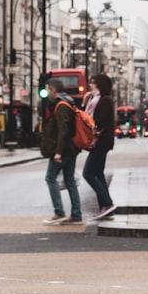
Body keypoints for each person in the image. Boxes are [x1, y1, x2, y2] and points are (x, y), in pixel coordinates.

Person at [40, 78, 83, 225]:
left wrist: (58, 151)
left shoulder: (61, 105)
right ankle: (76, 215)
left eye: (47, 90)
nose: (47, 93)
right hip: (70, 149)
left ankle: (59, 212)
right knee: (69, 180)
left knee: (50, 178)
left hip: (64, 150)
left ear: (53, 90)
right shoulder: (67, 102)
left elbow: (63, 130)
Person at [83, 74, 117, 219]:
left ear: (100, 85)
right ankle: (104, 206)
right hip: (99, 142)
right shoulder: (95, 100)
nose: (91, 86)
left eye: (93, 83)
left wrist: (91, 125)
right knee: (98, 174)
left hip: (101, 142)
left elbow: (101, 122)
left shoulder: (104, 101)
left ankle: (108, 203)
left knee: (88, 173)